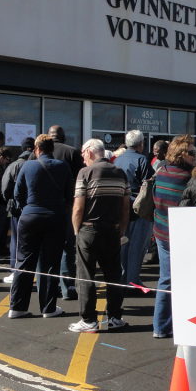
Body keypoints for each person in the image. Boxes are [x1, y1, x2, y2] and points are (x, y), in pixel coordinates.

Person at [69, 138, 130, 333]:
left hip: (89, 229)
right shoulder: (120, 173)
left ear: (89, 152)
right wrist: (121, 229)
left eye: (82, 153)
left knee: (86, 275)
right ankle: (115, 317)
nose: (82, 157)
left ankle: (88, 320)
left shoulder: (85, 173)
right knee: (113, 275)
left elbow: (78, 207)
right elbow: (125, 205)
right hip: (112, 230)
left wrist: (76, 230)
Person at [9, 134, 72, 319]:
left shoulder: (27, 166)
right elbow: (70, 195)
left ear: (37, 149)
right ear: (51, 149)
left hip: (29, 217)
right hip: (55, 217)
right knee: (50, 263)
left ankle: (17, 307)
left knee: (24, 262)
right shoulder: (63, 167)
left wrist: (27, 209)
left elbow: (17, 194)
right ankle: (48, 308)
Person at [151, 134, 196, 338]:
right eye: (192, 152)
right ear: (183, 154)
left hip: (161, 231)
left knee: (165, 280)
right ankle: (180, 326)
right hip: (181, 235)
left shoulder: (162, 171)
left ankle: (160, 326)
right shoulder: (189, 178)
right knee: (187, 281)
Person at [114, 130, 154, 289]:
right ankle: (132, 280)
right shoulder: (142, 160)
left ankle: (125, 278)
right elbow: (149, 184)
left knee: (123, 244)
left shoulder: (117, 160)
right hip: (138, 208)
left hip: (120, 207)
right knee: (137, 247)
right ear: (141, 144)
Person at [48, 125, 84, 300]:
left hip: (45, 207)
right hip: (67, 206)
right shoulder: (72, 152)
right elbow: (80, 180)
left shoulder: (38, 154)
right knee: (67, 249)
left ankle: (50, 287)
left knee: (48, 249)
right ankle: (67, 288)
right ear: (63, 137)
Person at [1, 137, 34, 284]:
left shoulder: (14, 165)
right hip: (33, 208)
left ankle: (15, 270)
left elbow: (5, 188)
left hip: (16, 209)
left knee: (16, 240)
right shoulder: (36, 164)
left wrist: (11, 201)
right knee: (33, 240)